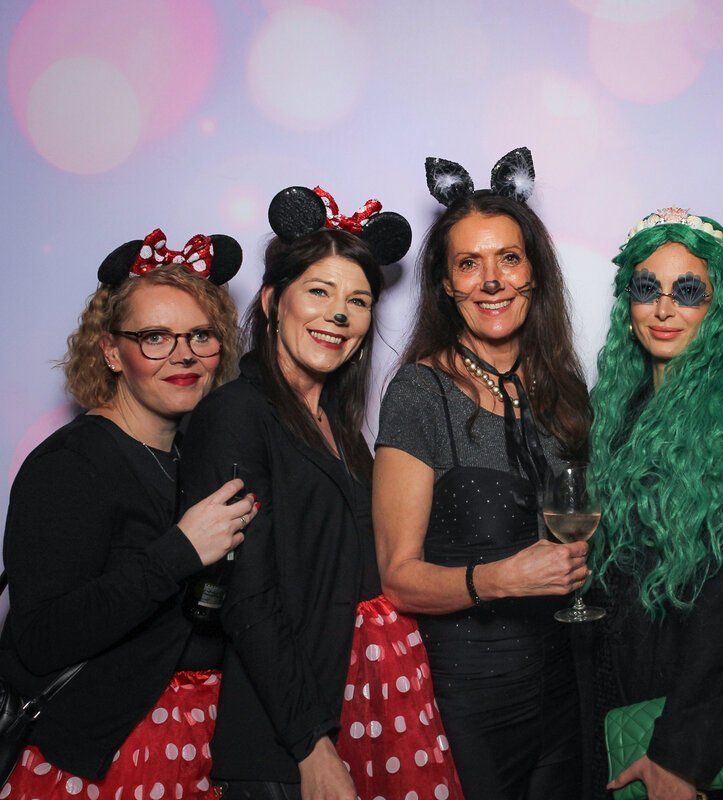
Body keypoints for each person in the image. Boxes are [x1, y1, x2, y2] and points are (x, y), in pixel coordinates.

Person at [181, 186, 461, 800]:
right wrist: (310, 745)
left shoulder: (339, 426)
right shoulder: (236, 415)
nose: (339, 314)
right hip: (288, 741)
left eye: (357, 301)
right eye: (319, 291)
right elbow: (247, 598)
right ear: (271, 300)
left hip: (362, 710)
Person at [0, 230, 251, 798]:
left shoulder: (196, 458)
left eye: (201, 335)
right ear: (112, 352)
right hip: (103, 757)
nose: (184, 355)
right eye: (154, 337)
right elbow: (40, 639)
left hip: (200, 743)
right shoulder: (71, 462)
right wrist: (178, 552)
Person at [374, 148, 592, 800]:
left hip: (566, 689)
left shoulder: (564, 391)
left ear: (534, 272)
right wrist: (502, 578)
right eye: (469, 263)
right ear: (446, 284)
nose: (491, 281)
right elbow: (398, 578)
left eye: (509, 259)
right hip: (468, 701)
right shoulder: (420, 393)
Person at [586, 207, 723, 800]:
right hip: (611, 690)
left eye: (688, 291)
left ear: (716, 307)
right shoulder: (606, 415)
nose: (664, 309)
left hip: (699, 706)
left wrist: (677, 755)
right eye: (648, 289)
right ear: (628, 303)